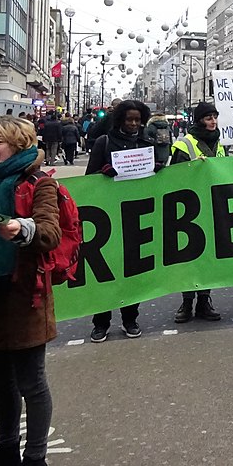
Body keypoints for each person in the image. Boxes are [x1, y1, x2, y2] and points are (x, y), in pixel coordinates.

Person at [0, 116, 61, 466]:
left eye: (0, 142)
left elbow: (50, 233)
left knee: (31, 383)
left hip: (23, 293)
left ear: (20, 146)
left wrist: (23, 229)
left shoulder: (38, 183)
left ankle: (35, 457)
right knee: (0, 382)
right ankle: (6, 449)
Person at [170, 102, 233, 323]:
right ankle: (186, 302)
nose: (213, 121)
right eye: (208, 118)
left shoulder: (221, 143)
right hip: (189, 211)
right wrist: (193, 168)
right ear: (199, 120)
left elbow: (226, 172)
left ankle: (205, 301)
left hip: (215, 206)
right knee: (190, 257)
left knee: (210, 256)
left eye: (215, 117)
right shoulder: (183, 144)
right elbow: (174, 178)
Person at [86, 99, 155, 342]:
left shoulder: (147, 143)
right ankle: (101, 323)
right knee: (105, 272)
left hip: (137, 215)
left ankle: (130, 318)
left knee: (133, 271)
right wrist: (103, 173)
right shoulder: (104, 142)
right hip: (108, 216)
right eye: (129, 120)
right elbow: (89, 180)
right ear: (120, 120)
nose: (134, 124)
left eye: (138, 120)